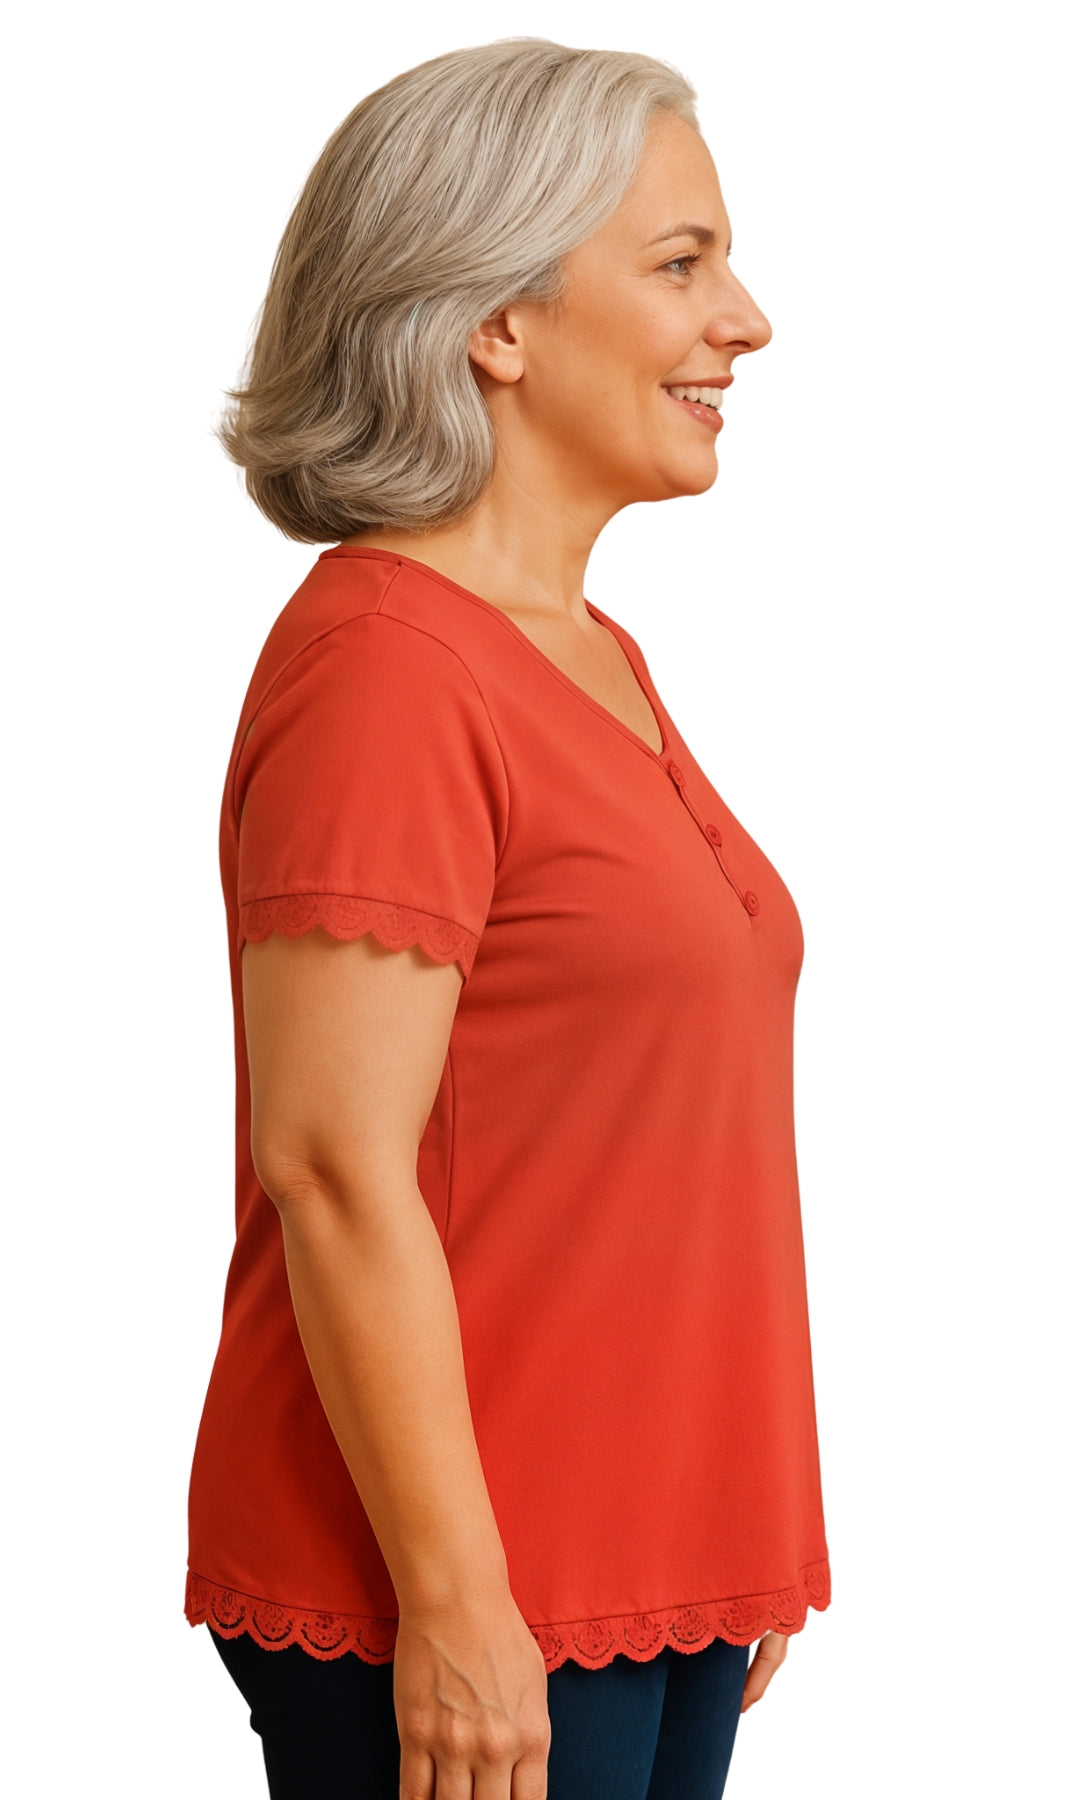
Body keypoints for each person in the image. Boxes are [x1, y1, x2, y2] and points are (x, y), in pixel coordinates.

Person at [185, 37, 831, 1800]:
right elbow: (331, 1163)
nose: (745, 322)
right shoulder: (390, 671)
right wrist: (462, 1606)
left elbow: (626, 1138)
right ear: (498, 320)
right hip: (469, 1594)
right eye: (681, 263)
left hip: (640, 1565)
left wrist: (728, 1520)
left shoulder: (589, 655)